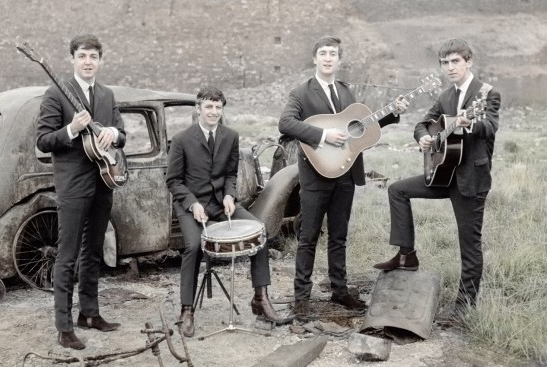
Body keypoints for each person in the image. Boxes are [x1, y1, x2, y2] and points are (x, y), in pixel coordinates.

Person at [278, 35, 408, 316]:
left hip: (346, 174)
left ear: (339, 60)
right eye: (323, 53)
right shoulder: (301, 93)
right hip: (315, 176)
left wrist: (392, 113)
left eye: (333, 54)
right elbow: (286, 123)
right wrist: (323, 134)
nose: (327, 58)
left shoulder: (346, 93)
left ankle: (339, 290)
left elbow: (361, 126)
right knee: (308, 237)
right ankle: (302, 298)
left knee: (339, 236)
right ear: (315, 59)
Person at [373, 38, 501, 314]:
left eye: (456, 61)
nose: (450, 67)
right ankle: (406, 255)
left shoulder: (487, 93)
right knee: (397, 189)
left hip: (470, 180)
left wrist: (469, 124)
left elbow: (490, 127)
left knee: (469, 245)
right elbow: (422, 124)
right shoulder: (446, 96)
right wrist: (426, 138)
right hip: (442, 174)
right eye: (445, 62)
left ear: (469, 62)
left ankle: (464, 307)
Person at [165, 86, 290, 338]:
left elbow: (230, 173)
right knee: (192, 246)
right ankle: (186, 310)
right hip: (192, 206)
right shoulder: (181, 140)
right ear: (198, 108)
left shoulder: (231, 136)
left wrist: (230, 195)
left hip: (221, 204)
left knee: (259, 231)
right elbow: (174, 181)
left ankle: (260, 298)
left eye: (218, 107)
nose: (213, 112)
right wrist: (193, 204)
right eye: (208, 107)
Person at [37, 34, 126, 350]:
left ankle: (89, 313)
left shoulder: (106, 94)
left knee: (93, 251)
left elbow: (122, 136)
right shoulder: (56, 94)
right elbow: (43, 141)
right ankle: (64, 327)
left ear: (101, 61)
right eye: (83, 56)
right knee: (68, 254)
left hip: (104, 180)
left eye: (94, 56)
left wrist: (112, 133)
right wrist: (73, 129)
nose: (89, 62)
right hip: (73, 186)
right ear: (72, 59)